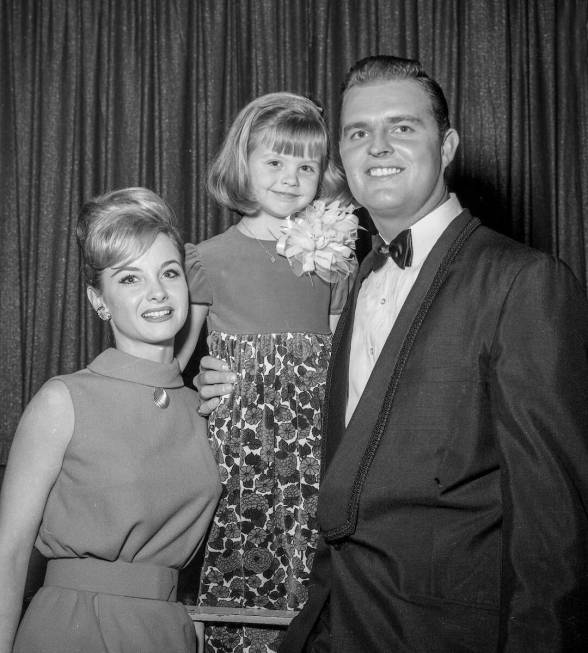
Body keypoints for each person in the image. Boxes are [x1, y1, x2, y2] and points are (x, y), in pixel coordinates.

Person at [196, 56, 588, 652]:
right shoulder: (359, 277)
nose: (377, 145)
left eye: (402, 127)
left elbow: (553, 527)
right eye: (358, 133)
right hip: (335, 620)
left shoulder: (523, 281)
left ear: (448, 145)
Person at [0, 187, 222, 653]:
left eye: (169, 272)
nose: (157, 292)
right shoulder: (64, 400)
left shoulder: (205, 408)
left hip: (169, 632)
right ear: (98, 300)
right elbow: (9, 552)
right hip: (73, 628)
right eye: (129, 279)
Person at [176, 92, 357, 653]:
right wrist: (198, 391)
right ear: (242, 165)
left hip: (315, 448)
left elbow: (344, 361)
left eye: (306, 165)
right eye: (274, 162)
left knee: (318, 582)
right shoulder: (207, 259)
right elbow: (172, 364)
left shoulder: (335, 258)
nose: (290, 177)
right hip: (241, 453)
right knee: (238, 576)